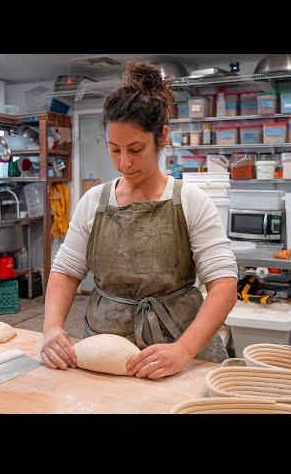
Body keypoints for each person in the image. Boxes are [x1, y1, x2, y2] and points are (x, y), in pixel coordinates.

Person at [40, 61, 238, 379]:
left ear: (161, 137)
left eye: (135, 149)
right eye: (114, 149)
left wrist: (184, 349)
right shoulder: (93, 202)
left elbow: (224, 285)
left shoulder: (190, 201)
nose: (124, 162)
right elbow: (65, 272)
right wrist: (51, 328)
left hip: (179, 352)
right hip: (105, 353)